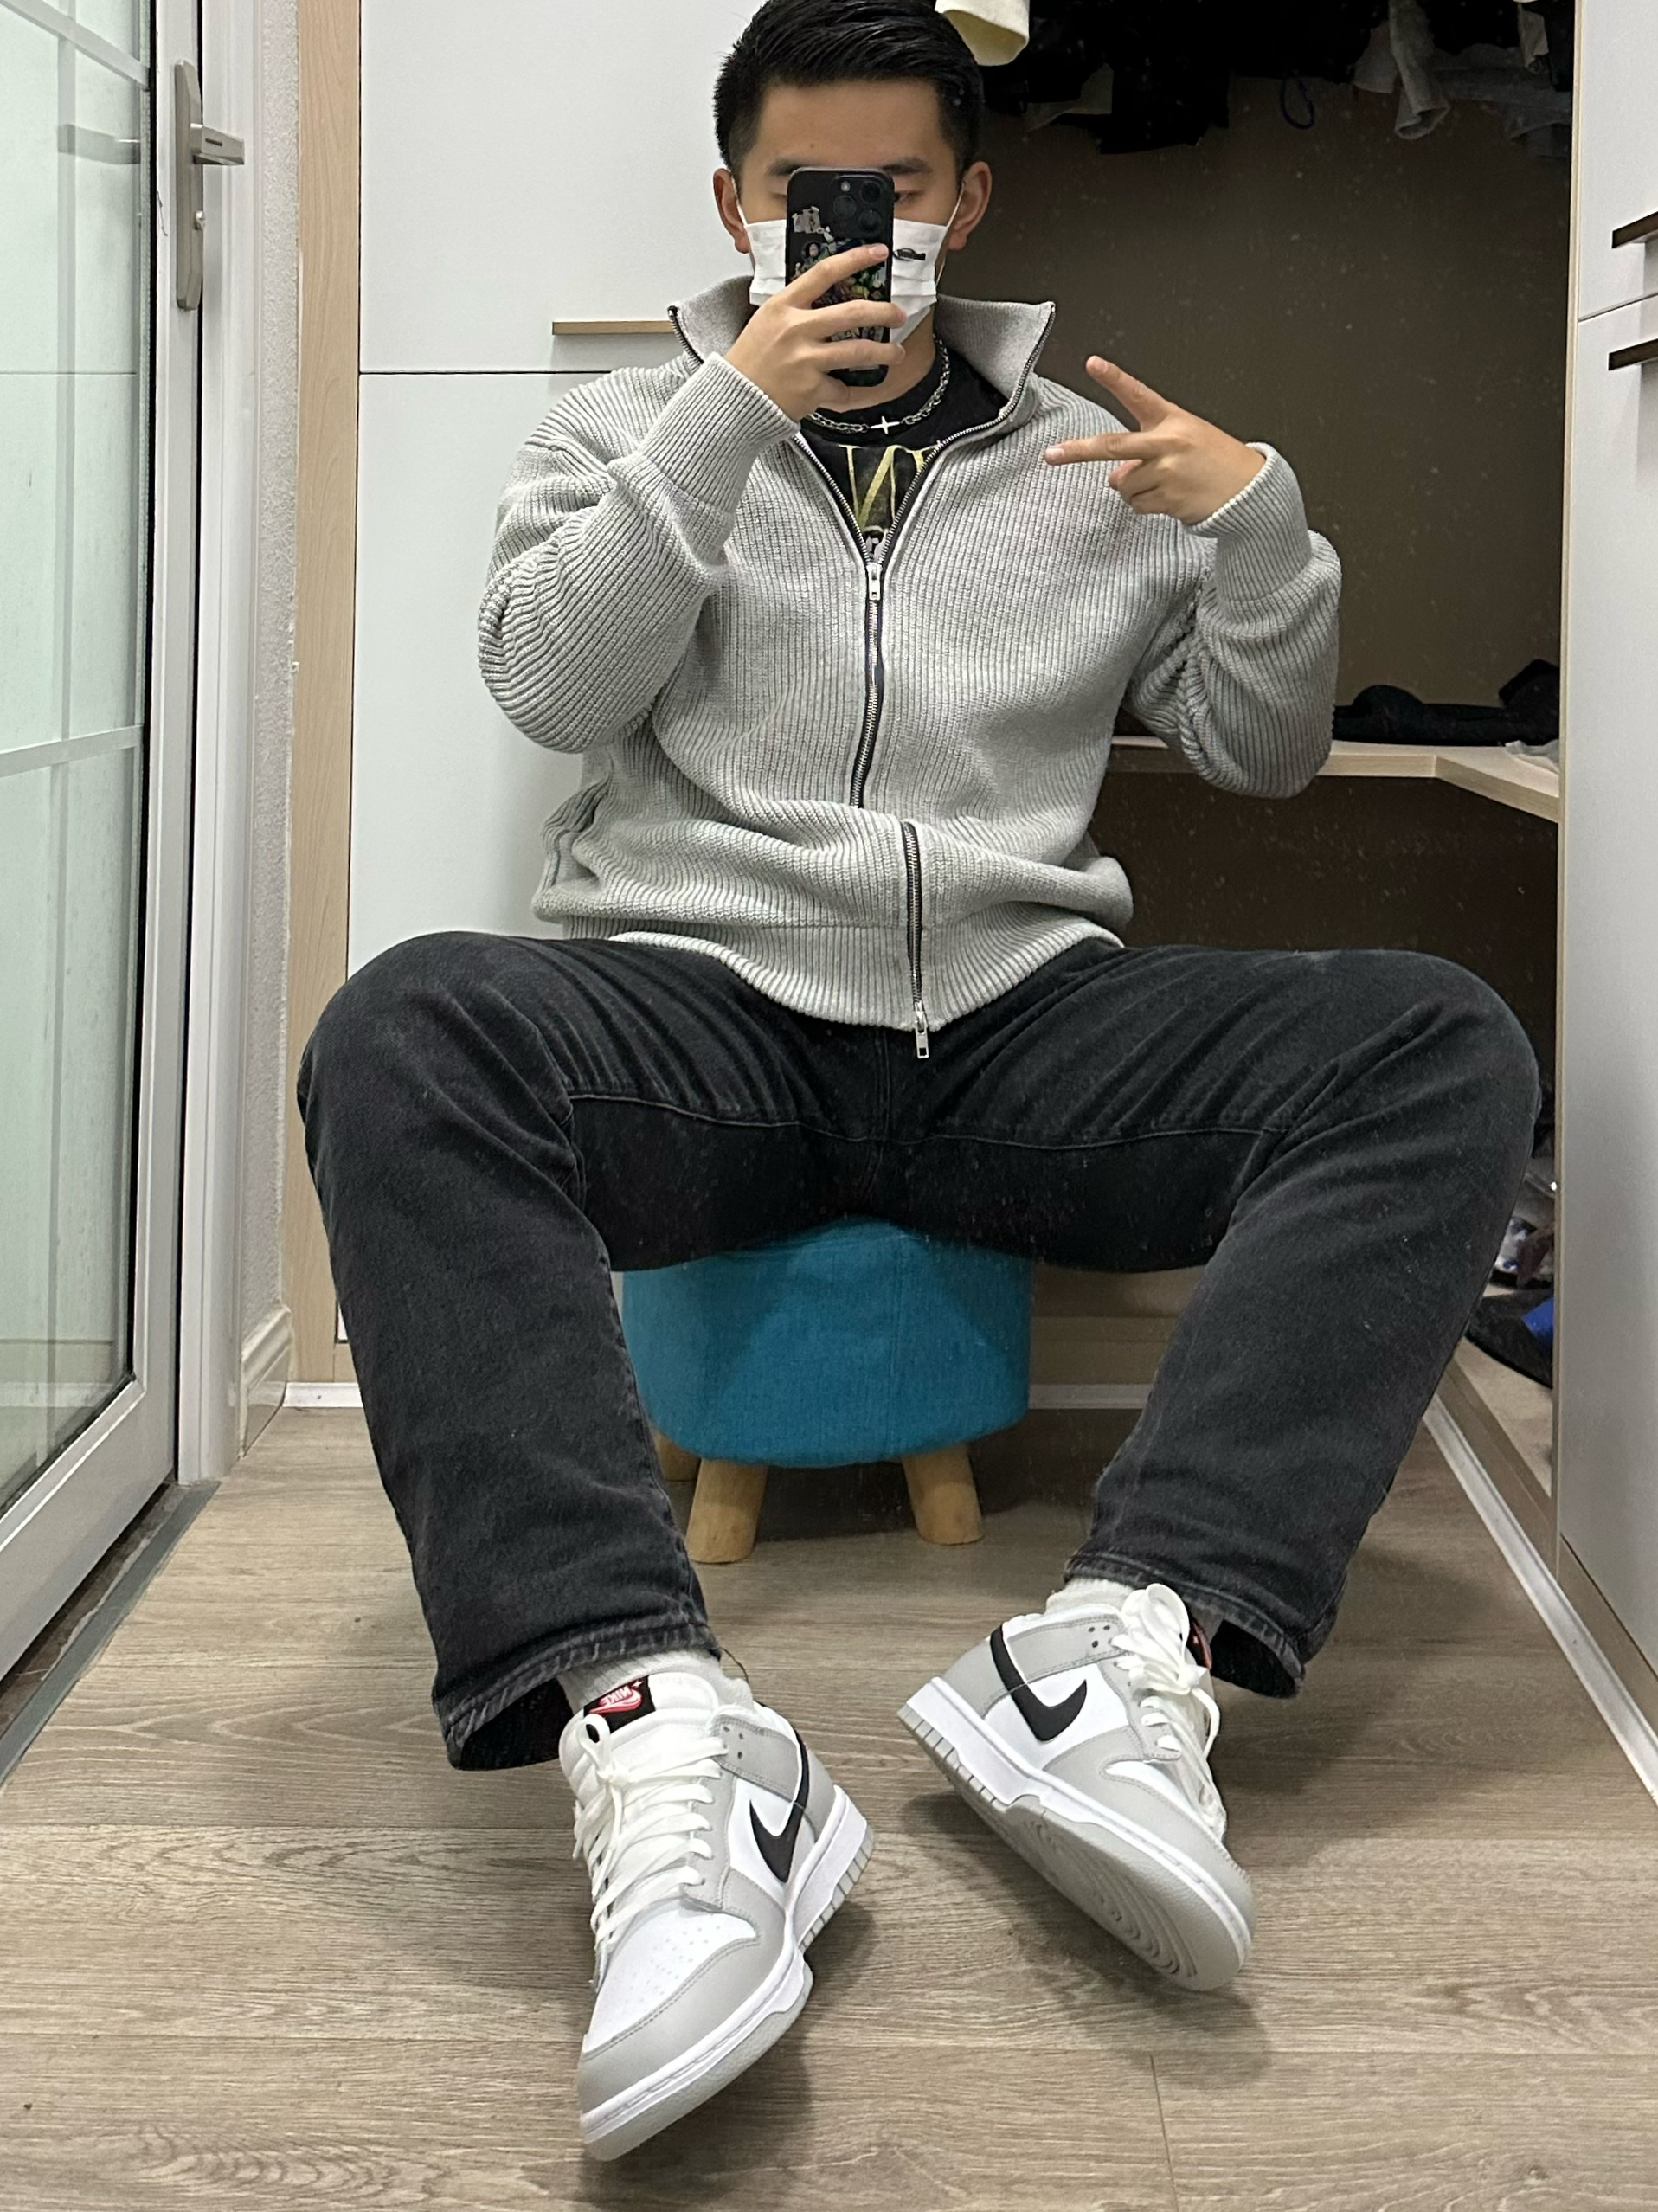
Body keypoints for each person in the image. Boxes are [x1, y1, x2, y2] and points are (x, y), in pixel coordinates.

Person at [296, 0, 1539, 2158]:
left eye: (891, 193)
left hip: (1021, 1031)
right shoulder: (624, 430)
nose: (848, 231)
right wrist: (720, 425)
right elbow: (547, 687)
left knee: (1435, 1038)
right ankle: (644, 1710)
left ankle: (1126, 1650)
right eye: (804, 195)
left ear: (969, 198)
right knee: (401, 1027)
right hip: (708, 1024)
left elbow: (1255, 753)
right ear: (734, 203)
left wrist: (1258, 531)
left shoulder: (1086, 460)